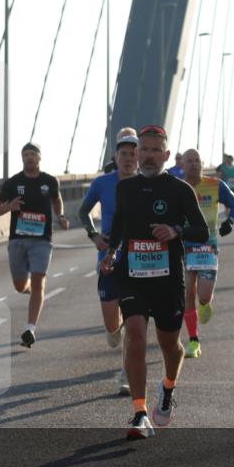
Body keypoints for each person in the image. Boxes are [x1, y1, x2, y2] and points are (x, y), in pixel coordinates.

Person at [100, 125, 209, 439]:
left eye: (153, 150)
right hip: (132, 275)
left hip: (167, 279)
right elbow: (120, 223)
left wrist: (176, 230)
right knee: (134, 334)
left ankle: (169, 387)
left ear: (165, 155)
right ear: (136, 154)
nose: (146, 156)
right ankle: (139, 413)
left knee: (169, 346)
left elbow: (200, 230)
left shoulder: (179, 190)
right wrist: (111, 250)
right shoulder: (126, 188)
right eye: (142, 150)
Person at [79, 127, 139, 395]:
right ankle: (114, 330)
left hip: (139, 259)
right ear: (115, 157)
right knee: (113, 326)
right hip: (108, 259)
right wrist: (93, 235)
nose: (128, 158)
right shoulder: (102, 183)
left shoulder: (148, 184)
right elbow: (83, 211)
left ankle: (127, 375)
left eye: (133, 154)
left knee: (134, 319)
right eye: (123, 154)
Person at [0, 142, 69, 348]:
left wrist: (60, 215)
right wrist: (10, 206)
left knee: (38, 282)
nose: (29, 157)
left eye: (32, 154)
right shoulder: (13, 182)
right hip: (17, 239)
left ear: (39, 157)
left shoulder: (49, 181)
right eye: (25, 154)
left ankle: (30, 329)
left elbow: (56, 199)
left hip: (42, 240)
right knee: (20, 286)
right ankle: (33, 291)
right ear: (22, 158)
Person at [180, 149, 234, 359]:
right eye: (189, 160)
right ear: (183, 165)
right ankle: (193, 341)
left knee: (203, 296)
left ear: (202, 163)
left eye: (197, 160)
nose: (193, 164)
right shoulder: (176, 187)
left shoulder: (215, 185)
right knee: (188, 292)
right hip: (184, 246)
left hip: (208, 246)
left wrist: (231, 222)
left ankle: (205, 303)